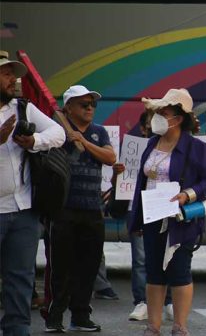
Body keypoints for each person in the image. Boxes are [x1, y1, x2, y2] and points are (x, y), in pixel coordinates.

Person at [129, 88, 206, 336]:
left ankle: (180, 326)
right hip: (152, 217)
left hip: (181, 220)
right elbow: (142, 183)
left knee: (179, 271)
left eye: (163, 112)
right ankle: (153, 326)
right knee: (154, 272)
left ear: (178, 119)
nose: (157, 116)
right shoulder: (151, 144)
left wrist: (187, 194)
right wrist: (136, 219)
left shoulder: (195, 148)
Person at [0, 53, 65, 336]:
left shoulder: (23, 108)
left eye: (13, 74)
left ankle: (17, 329)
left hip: (24, 209)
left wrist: (34, 140)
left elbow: (59, 132)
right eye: (5, 74)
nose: (12, 79)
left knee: (21, 277)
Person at [46, 85, 116, 333]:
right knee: (61, 267)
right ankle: (55, 316)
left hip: (93, 210)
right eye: (83, 104)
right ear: (69, 108)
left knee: (89, 266)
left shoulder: (98, 132)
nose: (89, 108)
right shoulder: (57, 132)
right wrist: (69, 139)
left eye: (92, 104)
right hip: (64, 210)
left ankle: (81, 315)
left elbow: (110, 157)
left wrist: (83, 141)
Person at [109, 111, 174, 322]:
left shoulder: (173, 147)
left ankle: (168, 301)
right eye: (151, 123)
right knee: (140, 258)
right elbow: (119, 182)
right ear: (144, 128)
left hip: (164, 206)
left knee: (168, 256)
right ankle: (142, 302)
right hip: (137, 208)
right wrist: (116, 174)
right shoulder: (132, 150)